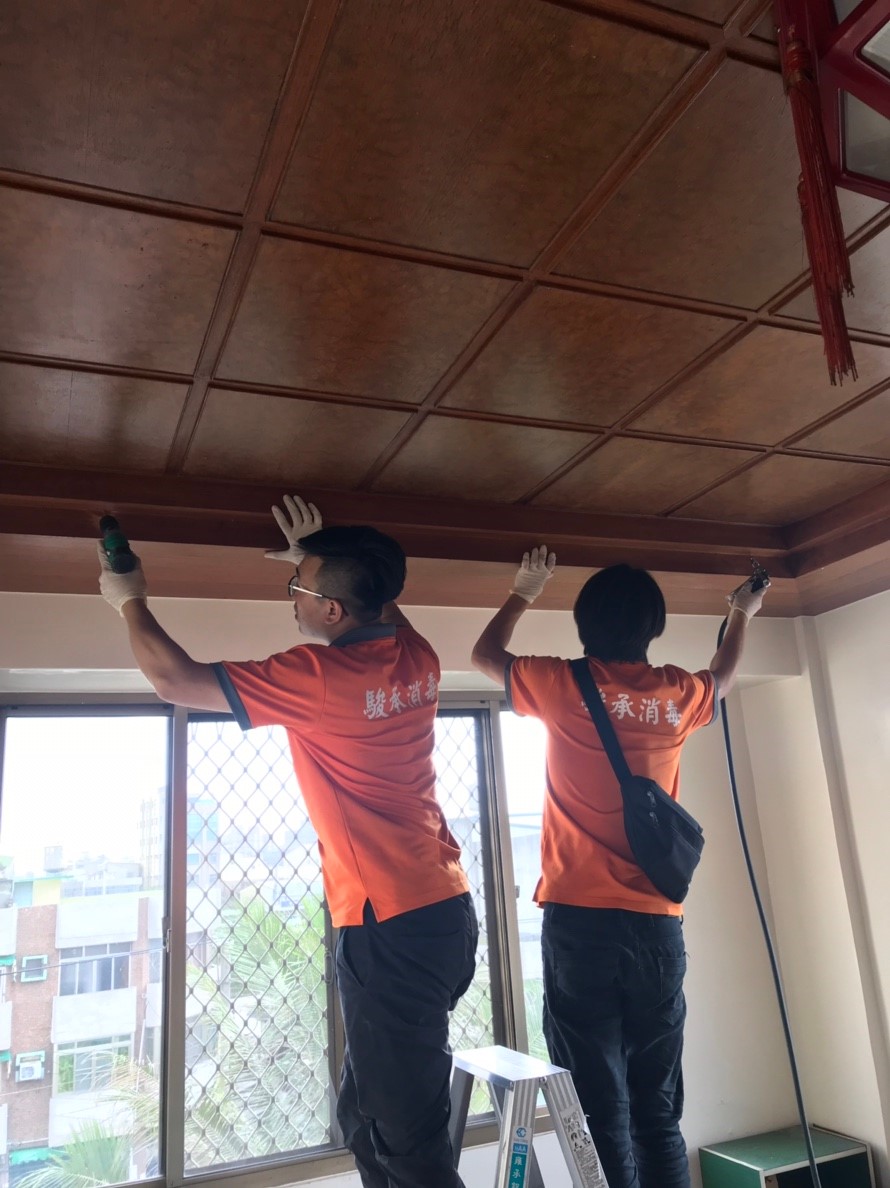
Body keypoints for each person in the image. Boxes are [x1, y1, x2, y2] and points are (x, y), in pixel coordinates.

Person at [97, 496, 478, 1188]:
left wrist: (129, 599)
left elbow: (175, 680)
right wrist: (317, 555)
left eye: (296, 586)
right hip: (444, 912)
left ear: (331, 609)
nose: (291, 594)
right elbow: (380, 601)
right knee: (365, 1115)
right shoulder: (417, 656)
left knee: (410, 1143)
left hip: (390, 926)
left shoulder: (321, 677)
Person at [471, 547, 766, 1188]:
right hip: (656, 927)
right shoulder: (676, 694)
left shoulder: (560, 684)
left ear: (584, 624)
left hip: (580, 925)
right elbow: (723, 674)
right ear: (652, 628)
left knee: (599, 1111)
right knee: (657, 1112)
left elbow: (486, 655)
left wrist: (524, 591)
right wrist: (742, 611)